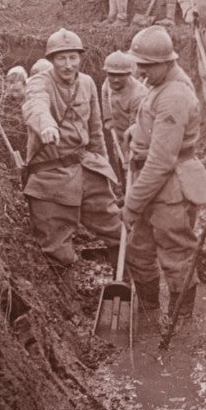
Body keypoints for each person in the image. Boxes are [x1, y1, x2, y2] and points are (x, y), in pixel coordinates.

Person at [120, 26, 206, 324]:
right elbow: (155, 124)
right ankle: (149, 316)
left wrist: (131, 205)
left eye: (146, 66)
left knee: (176, 256)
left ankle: (181, 324)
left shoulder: (175, 94)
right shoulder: (162, 84)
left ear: (166, 62)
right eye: (140, 65)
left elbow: (162, 161)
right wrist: (136, 131)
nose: (140, 72)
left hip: (171, 187)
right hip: (156, 185)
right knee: (138, 253)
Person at [22, 29, 120, 266]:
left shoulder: (86, 83)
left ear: (80, 58)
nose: (68, 65)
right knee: (57, 248)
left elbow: (96, 130)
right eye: (61, 58)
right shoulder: (39, 81)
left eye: (73, 58)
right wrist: (46, 125)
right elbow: (36, 105)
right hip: (51, 175)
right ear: (52, 60)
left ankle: (128, 283)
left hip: (86, 167)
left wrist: (104, 169)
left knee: (116, 230)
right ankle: (68, 298)